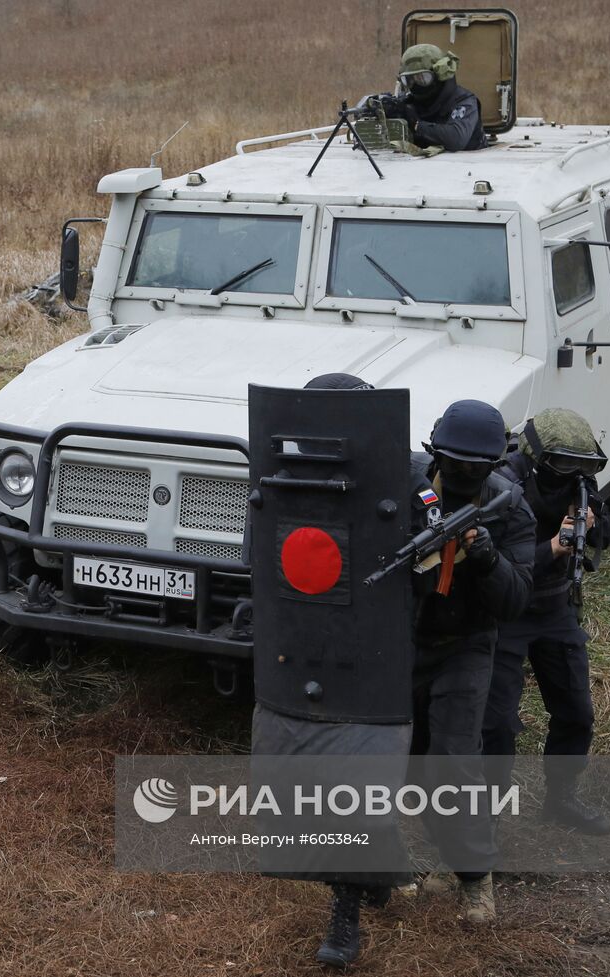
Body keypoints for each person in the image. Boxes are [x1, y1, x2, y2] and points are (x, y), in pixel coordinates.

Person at [250, 373, 414, 969]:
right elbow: (264, 552)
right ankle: (360, 893)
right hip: (309, 647)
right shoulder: (278, 479)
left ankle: (358, 896)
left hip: (388, 652)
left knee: (365, 775)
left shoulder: (410, 477)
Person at [408, 400, 535, 921]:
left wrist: (487, 559)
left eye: (476, 469)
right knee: (413, 767)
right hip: (403, 640)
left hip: (466, 644)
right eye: (455, 465)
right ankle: (442, 856)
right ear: (436, 454)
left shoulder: (511, 508)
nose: (464, 476)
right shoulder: (407, 491)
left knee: (456, 765)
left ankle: (475, 878)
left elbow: (516, 600)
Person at [483, 409, 610, 834]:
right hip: (509, 611)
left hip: (557, 608)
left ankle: (561, 797)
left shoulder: (579, 480)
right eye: (564, 463)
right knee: (497, 723)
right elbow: (498, 563)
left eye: (585, 465)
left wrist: (590, 526)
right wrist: (553, 547)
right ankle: (487, 818)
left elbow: (606, 533)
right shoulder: (503, 485)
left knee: (576, 710)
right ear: (538, 457)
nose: (576, 472)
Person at [376, 43, 487, 153]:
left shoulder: (464, 101)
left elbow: (456, 139)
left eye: (422, 78)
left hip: (466, 166)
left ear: (440, 76)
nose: (415, 85)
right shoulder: (410, 102)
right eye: (409, 80)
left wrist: (415, 124)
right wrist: (384, 114)